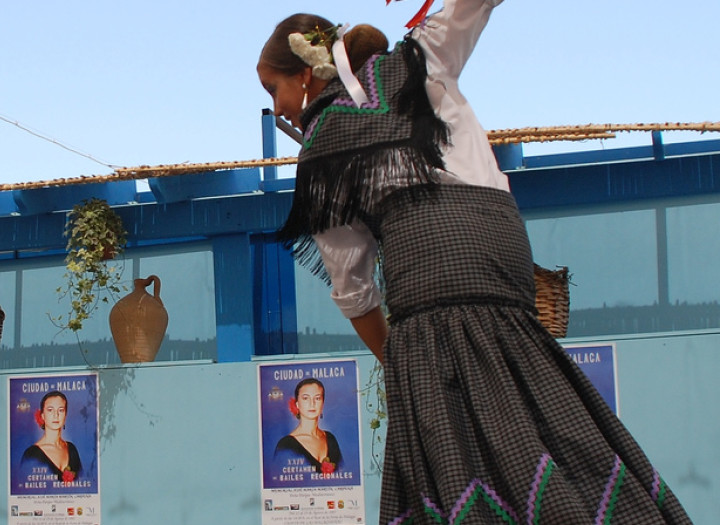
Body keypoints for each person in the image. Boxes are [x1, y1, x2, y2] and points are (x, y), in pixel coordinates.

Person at [257, 1, 693, 523]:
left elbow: (355, 292)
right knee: (563, 445)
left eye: (273, 90)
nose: (277, 108)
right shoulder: (423, 62)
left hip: (452, 320)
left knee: (454, 477)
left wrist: (402, 366)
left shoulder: (326, 154)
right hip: (501, 303)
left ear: (306, 74)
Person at [273, 378, 342, 474]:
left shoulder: (330, 438)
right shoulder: (286, 445)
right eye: (305, 398)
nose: (312, 403)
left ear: (322, 404)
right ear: (297, 404)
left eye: (317, 398)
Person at [20, 391, 82, 483]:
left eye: (61, 410)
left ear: (65, 416)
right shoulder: (31, 454)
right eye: (50, 410)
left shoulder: (72, 449)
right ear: (42, 416)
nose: (56, 415)